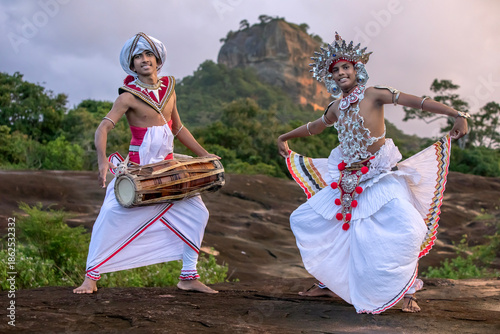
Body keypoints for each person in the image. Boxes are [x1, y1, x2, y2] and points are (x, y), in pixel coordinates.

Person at [277, 33, 468, 313]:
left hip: (379, 176)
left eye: (346, 67)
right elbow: (314, 127)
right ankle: (328, 282)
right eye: (335, 70)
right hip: (348, 180)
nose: (341, 72)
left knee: (407, 227)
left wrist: (457, 113)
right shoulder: (335, 108)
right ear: (330, 77)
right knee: (306, 219)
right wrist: (284, 137)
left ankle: (406, 290)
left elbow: (419, 103)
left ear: (357, 70)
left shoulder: (374, 94)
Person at [73, 32, 219, 294]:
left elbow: (178, 128)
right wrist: (102, 160)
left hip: (167, 167)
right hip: (138, 170)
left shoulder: (169, 88)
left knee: (198, 214)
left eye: (148, 54)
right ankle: (91, 278)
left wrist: (203, 154)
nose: (144, 59)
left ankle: (188, 276)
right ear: (132, 66)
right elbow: (102, 129)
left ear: (157, 59)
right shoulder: (127, 97)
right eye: (138, 57)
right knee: (109, 217)